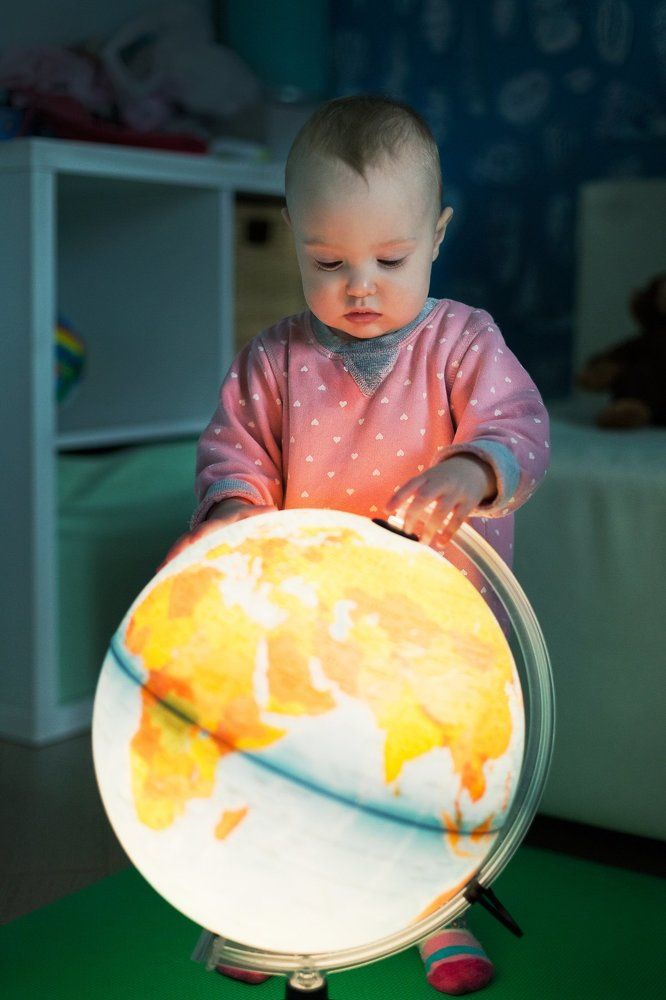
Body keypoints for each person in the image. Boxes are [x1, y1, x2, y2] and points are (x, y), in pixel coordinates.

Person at [189, 94, 550, 995]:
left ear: (437, 236)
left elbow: (518, 426)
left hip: (437, 626)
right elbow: (234, 451)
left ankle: (435, 911)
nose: (360, 285)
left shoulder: (463, 341)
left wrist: (470, 469)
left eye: (390, 259)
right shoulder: (272, 359)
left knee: (425, 780)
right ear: (295, 236)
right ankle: (279, 911)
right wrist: (233, 510)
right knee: (298, 765)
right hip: (312, 627)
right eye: (328, 261)